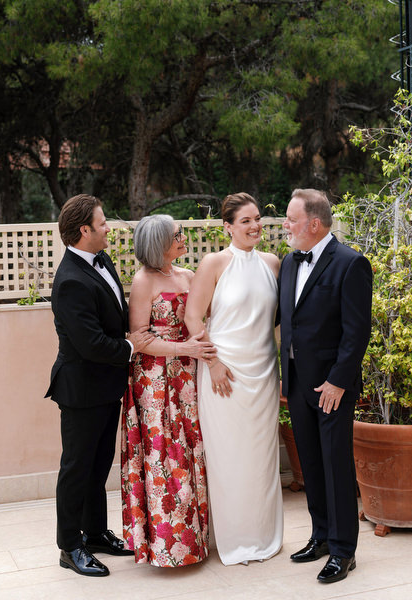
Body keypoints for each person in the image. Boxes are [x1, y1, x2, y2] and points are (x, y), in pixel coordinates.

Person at [45, 194, 153, 577]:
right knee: (76, 467)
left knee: (98, 463)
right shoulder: (70, 280)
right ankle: (69, 546)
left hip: (107, 385)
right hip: (81, 389)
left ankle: (93, 534)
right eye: (103, 223)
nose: (109, 227)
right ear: (83, 230)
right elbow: (90, 343)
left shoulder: (100, 260)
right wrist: (130, 346)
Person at [278, 188, 372, 584]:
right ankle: (319, 536)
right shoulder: (287, 262)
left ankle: (343, 550)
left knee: (335, 466)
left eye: (291, 219)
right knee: (311, 465)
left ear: (314, 224)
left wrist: (337, 381)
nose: (285, 226)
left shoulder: (351, 263)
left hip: (332, 385)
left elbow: (357, 331)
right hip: (298, 381)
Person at [184, 193, 283, 566]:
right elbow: (193, 319)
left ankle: (264, 537)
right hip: (223, 374)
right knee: (230, 459)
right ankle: (235, 540)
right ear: (227, 226)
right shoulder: (214, 263)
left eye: (257, 218)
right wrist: (213, 363)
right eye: (245, 221)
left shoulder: (273, 263)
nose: (255, 225)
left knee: (261, 459)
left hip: (263, 374)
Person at [121, 214, 215, 567]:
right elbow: (139, 338)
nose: (183, 237)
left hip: (189, 376)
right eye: (177, 234)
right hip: (155, 381)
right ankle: (166, 546)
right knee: (164, 455)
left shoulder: (190, 276)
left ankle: (197, 541)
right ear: (159, 242)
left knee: (192, 450)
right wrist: (184, 349)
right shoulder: (143, 281)